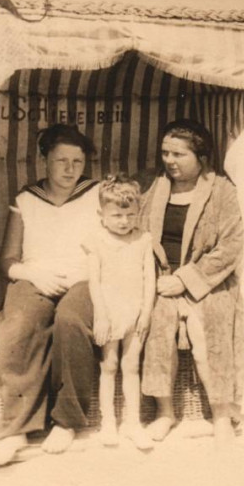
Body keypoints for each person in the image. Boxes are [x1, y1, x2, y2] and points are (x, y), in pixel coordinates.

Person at [0, 124, 100, 467]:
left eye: (77, 162)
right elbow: (8, 261)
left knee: (71, 320)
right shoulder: (26, 199)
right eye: (61, 160)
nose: (69, 169)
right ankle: (16, 429)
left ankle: (67, 422)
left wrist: (86, 274)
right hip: (36, 277)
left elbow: (111, 245)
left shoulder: (95, 193)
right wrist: (35, 274)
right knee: (19, 324)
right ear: (44, 159)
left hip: (85, 276)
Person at [139, 119, 244, 449]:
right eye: (165, 153)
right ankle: (165, 412)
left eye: (179, 154)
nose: (169, 160)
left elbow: (231, 246)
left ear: (201, 157)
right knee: (158, 324)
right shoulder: (152, 187)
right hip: (160, 279)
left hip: (206, 282)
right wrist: (158, 280)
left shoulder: (223, 191)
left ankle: (222, 416)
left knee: (209, 327)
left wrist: (185, 280)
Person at [84, 176, 155, 450]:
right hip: (111, 313)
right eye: (117, 215)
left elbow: (150, 279)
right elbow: (94, 281)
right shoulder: (97, 241)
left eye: (130, 214)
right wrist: (101, 315)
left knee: (131, 366)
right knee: (109, 365)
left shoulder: (143, 239)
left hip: (135, 311)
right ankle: (108, 423)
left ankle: (132, 423)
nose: (124, 221)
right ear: (102, 215)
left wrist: (146, 312)